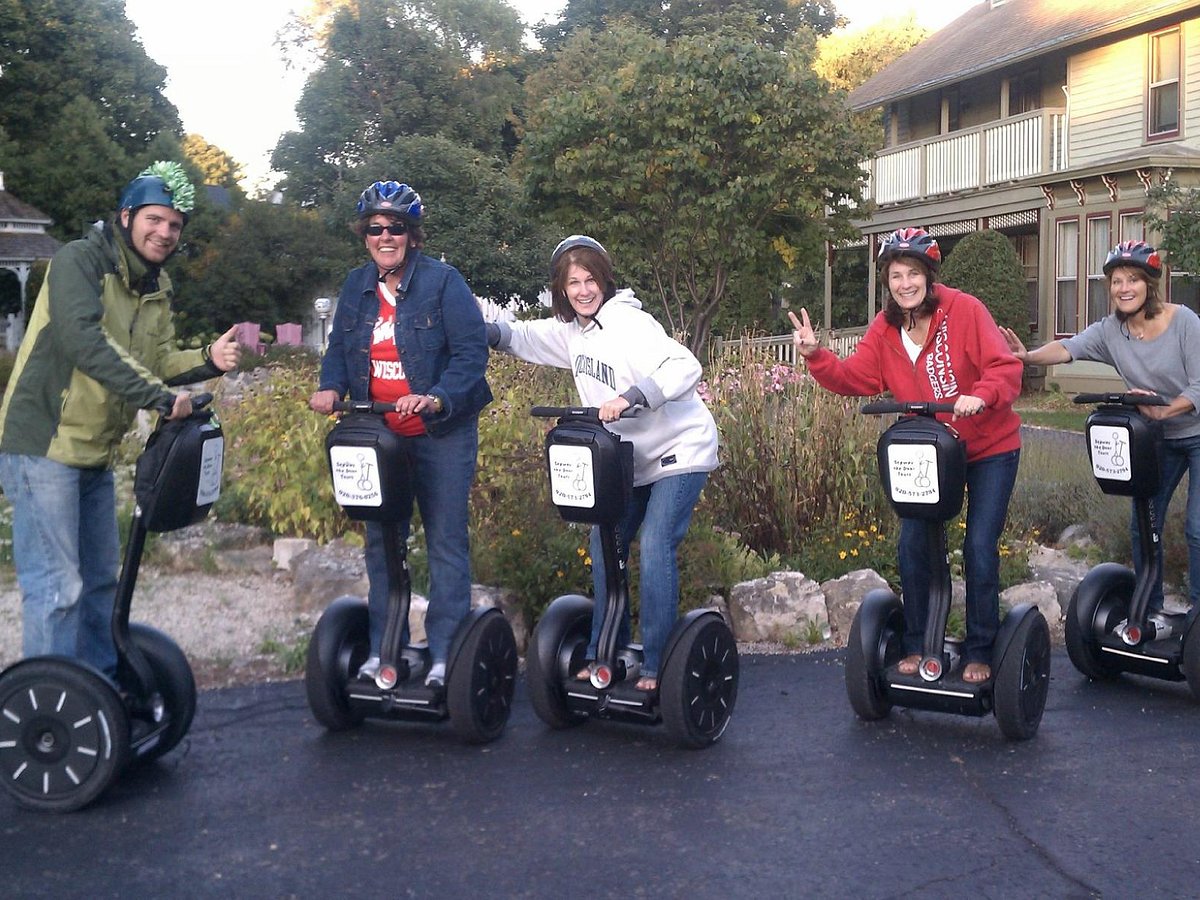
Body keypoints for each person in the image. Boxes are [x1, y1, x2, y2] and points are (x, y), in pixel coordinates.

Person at [0, 161, 241, 677]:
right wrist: (158, 397)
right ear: (127, 216)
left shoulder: (155, 285)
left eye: (175, 225)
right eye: (155, 219)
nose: (165, 232)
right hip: (44, 444)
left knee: (100, 584)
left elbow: (153, 362)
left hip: (95, 451)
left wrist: (206, 358)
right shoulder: (79, 262)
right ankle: (49, 711)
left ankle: (100, 698)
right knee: (58, 589)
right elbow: (86, 343)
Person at [790, 227, 1023, 683]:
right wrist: (817, 355)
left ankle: (980, 648)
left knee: (978, 548)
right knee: (915, 543)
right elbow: (856, 377)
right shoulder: (886, 326)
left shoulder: (965, 311)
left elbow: (1005, 367)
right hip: (932, 452)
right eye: (896, 275)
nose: (905, 283)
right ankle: (918, 643)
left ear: (929, 276)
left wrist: (981, 395)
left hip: (988, 448)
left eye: (913, 273)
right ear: (888, 280)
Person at [488, 235, 718, 692]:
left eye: (590, 279)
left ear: (604, 280)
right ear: (562, 289)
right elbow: (520, 336)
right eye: (573, 282)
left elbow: (684, 365)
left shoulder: (629, 323)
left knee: (654, 545)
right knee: (604, 543)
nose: (583, 290)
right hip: (626, 461)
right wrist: (476, 328)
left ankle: (656, 665)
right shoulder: (571, 330)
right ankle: (607, 653)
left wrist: (631, 397)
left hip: (680, 449)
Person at [308, 180, 492, 688]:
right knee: (381, 540)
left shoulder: (442, 282)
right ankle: (384, 647)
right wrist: (329, 387)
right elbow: (339, 351)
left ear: (411, 235)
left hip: (439, 432)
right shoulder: (355, 286)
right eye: (375, 228)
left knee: (445, 541)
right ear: (365, 234)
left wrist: (435, 396)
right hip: (379, 435)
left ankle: (444, 652)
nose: (384, 236)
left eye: (395, 228)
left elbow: (472, 355)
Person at [1003, 240, 1200, 625]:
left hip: (1195, 429)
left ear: (1149, 285)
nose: (1124, 288)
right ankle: (1152, 608)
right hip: (1160, 438)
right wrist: (1026, 357)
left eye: (1133, 280)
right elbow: (1068, 348)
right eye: (1116, 281)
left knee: (1197, 527)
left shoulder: (1185, 322)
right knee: (1144, 522)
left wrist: (1164, 409)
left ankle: (1197, 618)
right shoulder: (1112, 331)